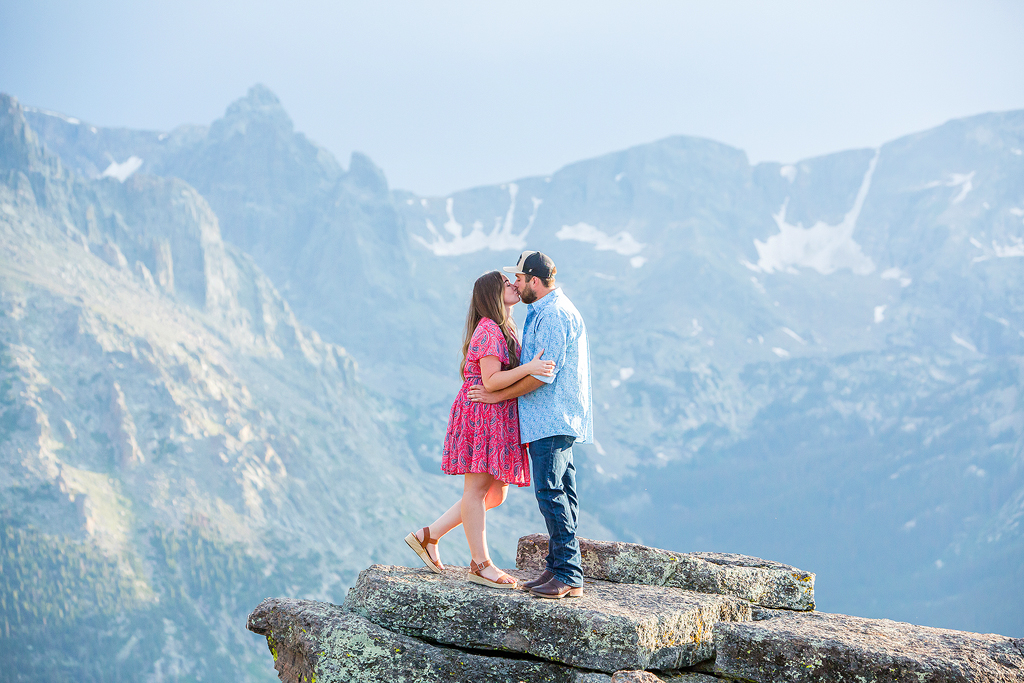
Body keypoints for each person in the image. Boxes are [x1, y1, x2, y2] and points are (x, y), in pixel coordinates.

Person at [405, 270, 555, 589]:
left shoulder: (503, 327)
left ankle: (428, 535)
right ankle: (480, 564)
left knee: (496, 494)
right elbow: (490, 380)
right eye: (506, 283)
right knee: (475, 490)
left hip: (496, 412)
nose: (514, 285)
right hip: (483, 412)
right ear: (492, 294)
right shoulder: (489, 329)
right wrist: (530, 368)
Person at [469, 251, 593, 599]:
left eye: (520, 279)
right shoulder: (546, 311)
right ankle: (559, 567)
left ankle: (568, 572)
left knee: (550, 491)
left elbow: (543, 375)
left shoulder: (552, 315)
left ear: (534, 281)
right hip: (553, 418)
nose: (516, 284)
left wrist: (498, 397)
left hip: (551, 417)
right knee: (562, 491)